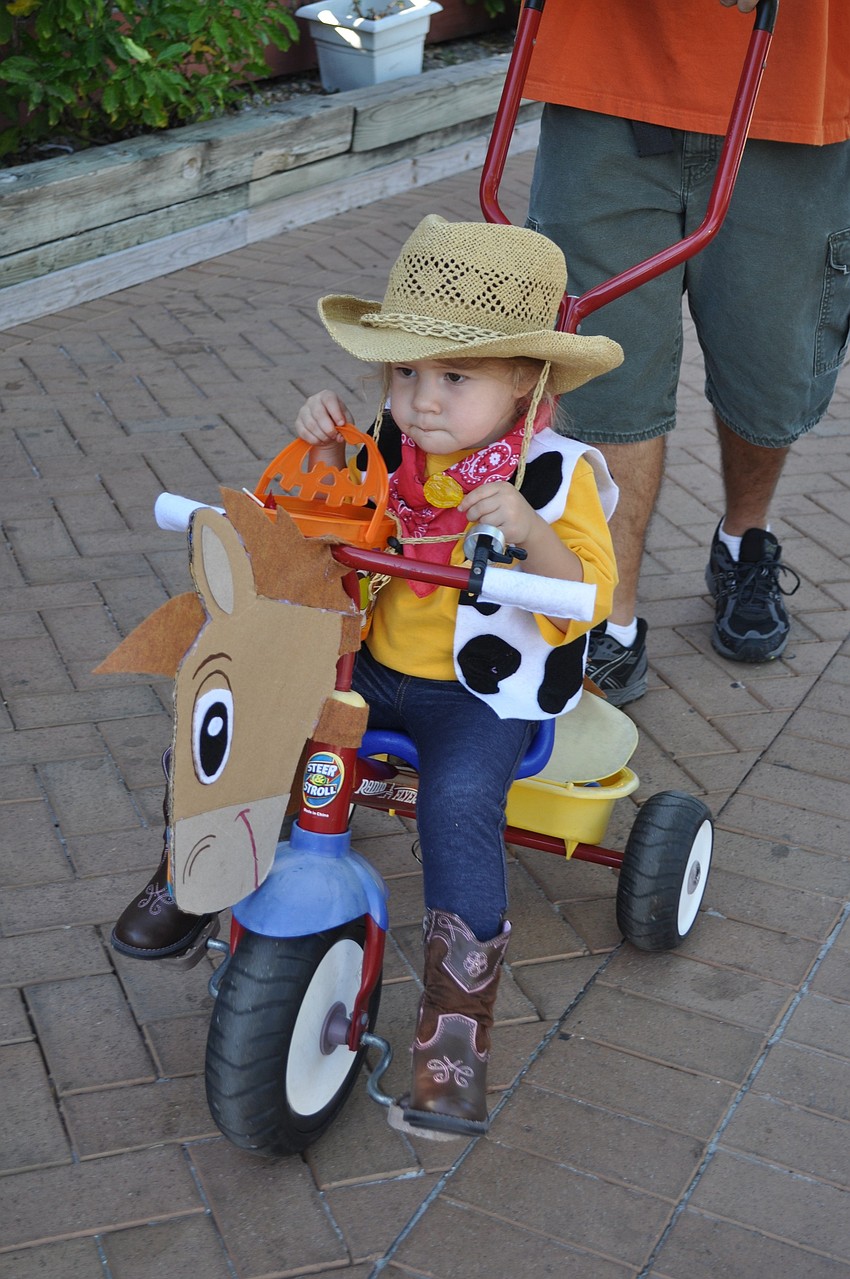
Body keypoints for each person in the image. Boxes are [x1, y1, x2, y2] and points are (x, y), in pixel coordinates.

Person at [111, 213, 622, 1137]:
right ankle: (189, 864)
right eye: (405, 372)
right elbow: (322, 516)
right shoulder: (389, 445)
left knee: (458, 802)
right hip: (373, 665)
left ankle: (455, 1025)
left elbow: (587, 593)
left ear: (526, 382)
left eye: (455, 378)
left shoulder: (555, 473)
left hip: (479, 695)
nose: (422, 400)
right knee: (248, 711)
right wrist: (321, 453)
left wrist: (529, 531)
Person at [523, 0, 850, 704]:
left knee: (772, 373)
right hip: (605, 71)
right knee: (602, 374)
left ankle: (744, 540)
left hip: (792, 84)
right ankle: (609, 615)